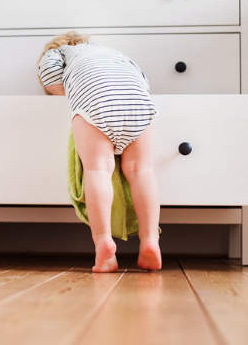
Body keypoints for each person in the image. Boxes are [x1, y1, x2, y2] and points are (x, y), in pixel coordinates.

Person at [37, 31, 162, 273]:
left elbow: (49, 77)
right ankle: (150, 241)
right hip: (138, 101)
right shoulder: (116, 54)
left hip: (95, 100)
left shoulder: (58, 53)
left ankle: (103, 242)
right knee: (142, 170)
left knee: (98, 170)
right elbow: (142, 79)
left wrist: (65, 90)